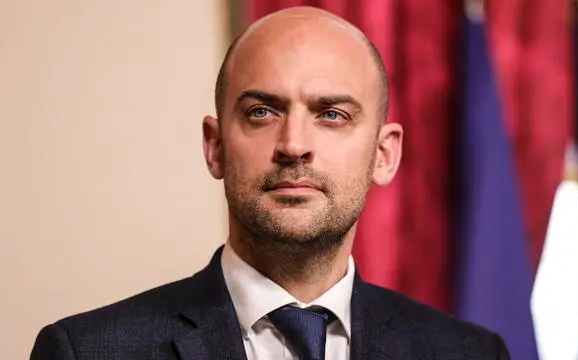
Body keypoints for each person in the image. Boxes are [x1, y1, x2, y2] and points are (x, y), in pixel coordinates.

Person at [30, 6, 510, 360]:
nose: (294, 144)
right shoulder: (85, 352)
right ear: (215, 146)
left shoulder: (470, 353)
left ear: (383, 155)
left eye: (332, 114)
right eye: (262, 112)